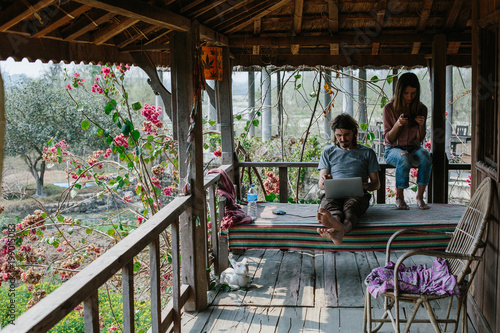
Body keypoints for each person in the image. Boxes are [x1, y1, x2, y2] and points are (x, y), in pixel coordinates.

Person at [316, 113, 381, 245]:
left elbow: (376, 184)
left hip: (357, 195)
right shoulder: (328, 152)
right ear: (334, 134)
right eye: (339, 135)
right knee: (330, 206)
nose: (342, 139)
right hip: (334, 194)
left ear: (354, 133)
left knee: (351, 207)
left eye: (346, 135)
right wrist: (325, 181)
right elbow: (321, 185)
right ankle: (337, 228)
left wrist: (364, 186)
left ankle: (339, 230)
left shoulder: (367, 153)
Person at [383, 72, 432, 210]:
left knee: (426, 156)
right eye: (406, 93)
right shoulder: (389, 109)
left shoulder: (421, 108)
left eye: (413, 93)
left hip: (414, 148)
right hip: (393, 150)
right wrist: (398, 124)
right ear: (399, 92)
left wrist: (421, 125)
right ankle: (399, 197)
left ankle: (420, 197)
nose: (410, 97)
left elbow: (420, 139)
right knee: (403, 158)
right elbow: (388, 139)